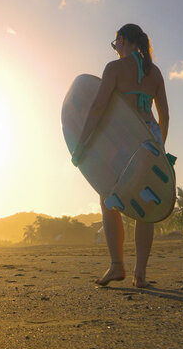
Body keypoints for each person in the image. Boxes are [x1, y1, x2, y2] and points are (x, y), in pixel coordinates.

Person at [72, 24, 169, 288]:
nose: (115, 51)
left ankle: (116, 266)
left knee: (108, 197)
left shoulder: (114, 69)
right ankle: (140, 274)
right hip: (150, 138)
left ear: (122, 41)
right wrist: (159, 151)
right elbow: (165, 116)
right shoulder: (155, 72)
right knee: (145, 205)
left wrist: (82, 144)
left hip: (124, 139)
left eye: (116, 45)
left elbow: (98, 107)